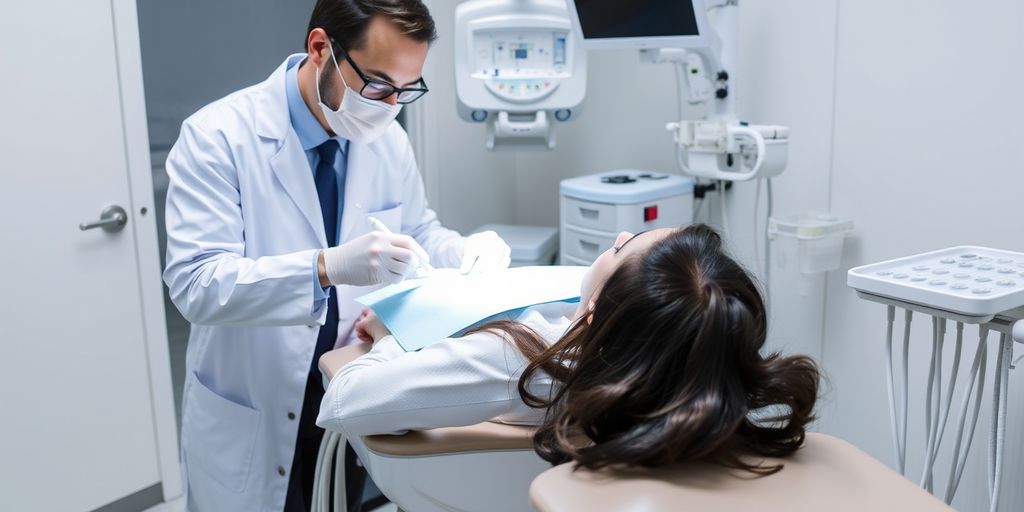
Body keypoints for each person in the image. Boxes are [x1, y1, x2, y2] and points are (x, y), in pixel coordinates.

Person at [162, 1, 511, 510]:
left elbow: (416, 232)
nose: (391, 105)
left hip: (350, 385)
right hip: (255, 394)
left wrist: (464, 250)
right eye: (377, 84)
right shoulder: (218, 137)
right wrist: (327, 267)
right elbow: (198, 284)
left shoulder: (385, 138)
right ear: (321, 48)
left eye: (405, 89)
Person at [317, 224, 821, 474]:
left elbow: (343, 402)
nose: (620, 234)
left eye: (624, 247)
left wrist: (388, 337)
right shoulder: (686, 364)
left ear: (597, 311)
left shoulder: (521, 357)